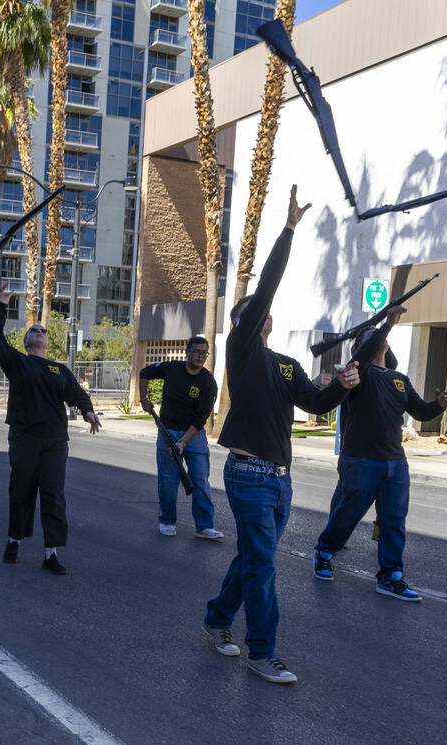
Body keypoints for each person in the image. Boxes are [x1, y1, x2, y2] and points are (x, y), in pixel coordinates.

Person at [202, 186, 367, 685]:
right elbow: (268, 286)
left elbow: (315, 405)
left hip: (279, 479)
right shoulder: (242, 349)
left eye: (264, 311)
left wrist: (340, 387)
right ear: (244, 322)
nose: (264, 312)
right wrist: (289, 230)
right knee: (264, 566)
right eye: (255, 311)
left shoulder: (285, 364)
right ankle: (262, 650)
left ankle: (215, 619)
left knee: (254, 558)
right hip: (248, 474)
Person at [312, 306, 447, 601]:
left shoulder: (399, 378)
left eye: (375, 336)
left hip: (395, 463)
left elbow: (420, 411)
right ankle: (324, 552)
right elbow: (363, 354)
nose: (372, 338)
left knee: (393, 520)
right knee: (348, 515)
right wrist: (386, 325)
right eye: (366, 336)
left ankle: (390, 577)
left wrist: (438, 404)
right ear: (358, 348)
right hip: (361, 460)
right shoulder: (355, 373)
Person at [0, 283, 100, 576]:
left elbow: (77, 393)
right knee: (21, 493)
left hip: (54, 442)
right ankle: (14, 541)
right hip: (24, 438)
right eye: (34, 331)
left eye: (43, 331)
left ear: (47, 342)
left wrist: (87, 411)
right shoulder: (18, 363)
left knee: (53, 496)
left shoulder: (59, 369)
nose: (40, 332)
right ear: (26, 341)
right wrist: (1, 305)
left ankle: (51, 553)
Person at [139, 335, 221, 539]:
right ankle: (167, 520)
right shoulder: (172, 368)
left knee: (200, 479)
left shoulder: (208, 382)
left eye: (204, 353)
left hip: (194, 435)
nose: (200, 356)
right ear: (187, 352)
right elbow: (144, 373)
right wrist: (143, 399)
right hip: (167, 431)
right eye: (196, 351)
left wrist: (182, 442)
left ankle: (204, 527)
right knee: (168, 480)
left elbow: (200, 419)